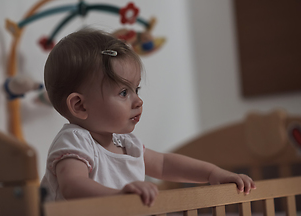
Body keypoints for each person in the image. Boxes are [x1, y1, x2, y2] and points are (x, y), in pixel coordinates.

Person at [41, 28, 256, 206]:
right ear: (79, 105)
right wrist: (119, 196)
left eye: (137, 90)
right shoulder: (75, 140)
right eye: (124, 93)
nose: (138, 101)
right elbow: (73, 185)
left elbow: (163, 164)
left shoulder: (126, 144)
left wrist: (212, 174)